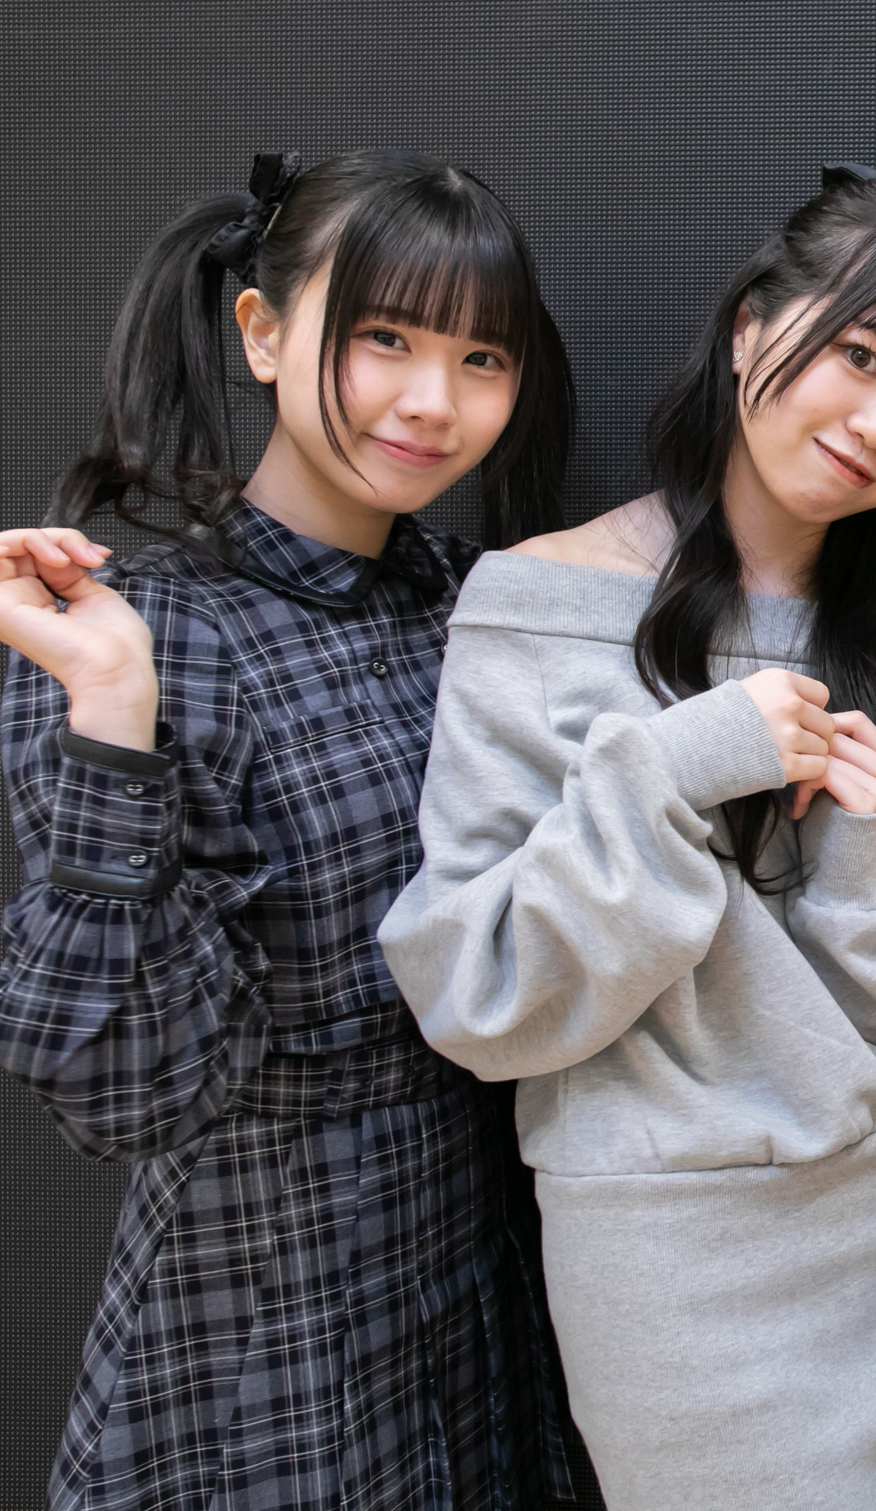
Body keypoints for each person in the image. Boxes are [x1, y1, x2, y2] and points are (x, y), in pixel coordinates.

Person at [379, 163, 876, 1509]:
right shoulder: (536, 604)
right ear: (749, 327)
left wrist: (863, 853)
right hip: (664, 1244)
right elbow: (477, 991)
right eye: (860, 354)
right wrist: (674, 770)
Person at [0, 150, 577, 1511]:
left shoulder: (481, 605)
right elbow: (125, 1094)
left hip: (485, 1278)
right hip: (266, 1312)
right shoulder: (143, 635)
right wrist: (111, 708)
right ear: (262, 332)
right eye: (385, 338)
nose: (433, 401)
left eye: (482, 358)